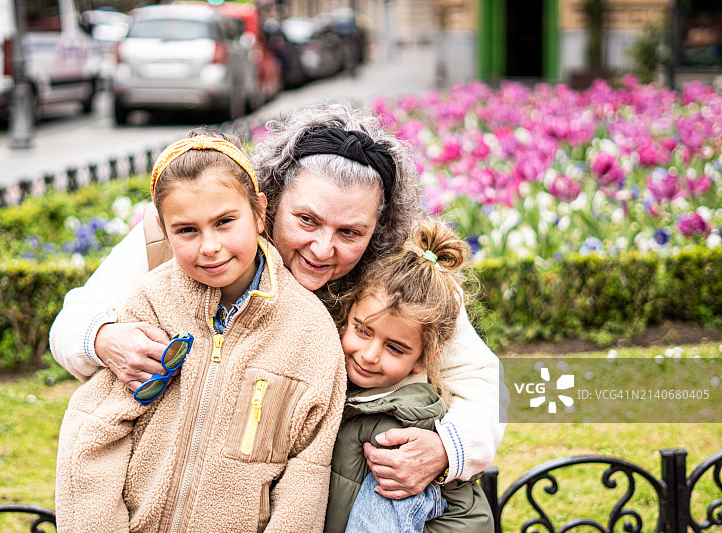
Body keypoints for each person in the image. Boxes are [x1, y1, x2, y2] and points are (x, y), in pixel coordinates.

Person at [50, 104, 509, 497]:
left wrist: (445, 449)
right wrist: (104, 338)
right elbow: (71, 321)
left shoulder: (401, 278)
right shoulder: (190, 231)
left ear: (378, 230)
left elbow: (484, 384)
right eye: (306, 220)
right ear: (266, 205)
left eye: (350, 232)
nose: (323, 249)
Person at [54, 131, 347, 532]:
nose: (209, 245)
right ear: (164, 229)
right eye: (187, 230)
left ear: (260, 213)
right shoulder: (151, 301)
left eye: (225, 222)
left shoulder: (309, 332)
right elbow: (95, 434)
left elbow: (306, 475)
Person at [324, 219, 492, 533]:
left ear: (422, 360)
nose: (370, 355)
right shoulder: (368, 396)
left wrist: (449, 449)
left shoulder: (400, 435)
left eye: (395, 348)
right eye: (362, 331)